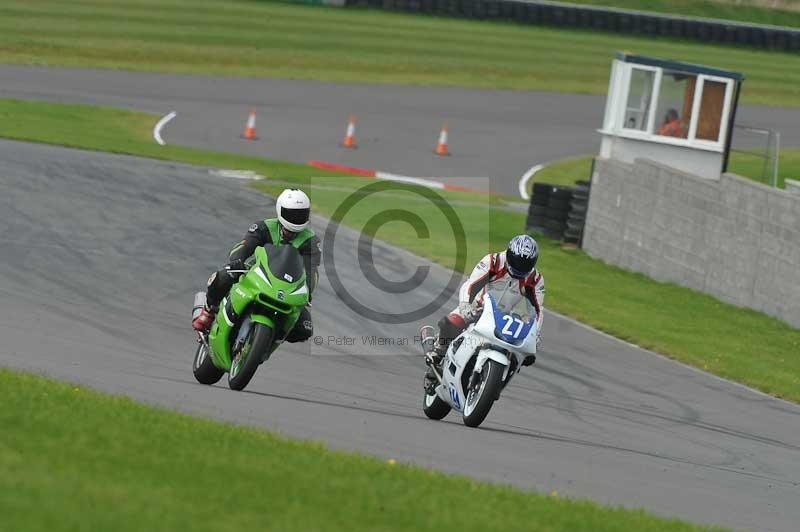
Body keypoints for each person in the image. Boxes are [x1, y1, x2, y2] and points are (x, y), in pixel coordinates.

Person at [192, 189, 321, 344]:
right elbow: (243, 247)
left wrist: (307, 291)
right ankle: (208, 311)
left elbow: (311, 270)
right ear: (280, 211)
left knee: (304, 329)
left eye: (301, 215)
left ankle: (269, 340)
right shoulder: (263, 227)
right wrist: (237, 260)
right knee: (223, 276)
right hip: (255, 272)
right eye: (291, 214)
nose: (296, 219)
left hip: (286, 287)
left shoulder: (311, 240)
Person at [425, 234, 545, 380]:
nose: (519, 267)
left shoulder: (535, 280)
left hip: (505, 317)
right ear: (509, 253)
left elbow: (537, 311)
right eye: (516, 261)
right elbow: (470, 284)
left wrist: (535, 333)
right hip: (478, 308)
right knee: (451, 322)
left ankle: (498, 379)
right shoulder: (493, 261)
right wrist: (465, 305)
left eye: (524, 264)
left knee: (522, 355)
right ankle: (438, 353)